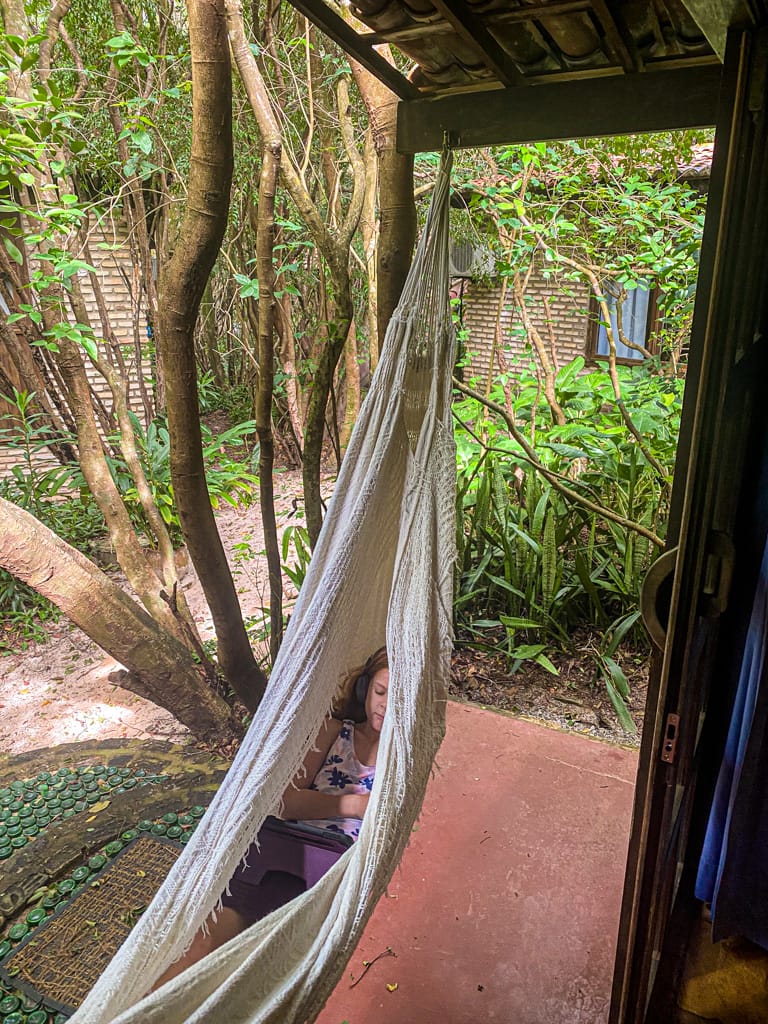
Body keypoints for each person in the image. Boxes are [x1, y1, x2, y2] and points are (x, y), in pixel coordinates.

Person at [154, 647, 389, 985]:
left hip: (343, 874)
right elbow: (286, 803)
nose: (384, 704)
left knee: (269, 964)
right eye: (379, 692)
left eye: (396, 697)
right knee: (204, 941)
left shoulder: (401, 755)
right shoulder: (335, 732)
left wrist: (322, 802)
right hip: (288, 851)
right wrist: (356, 805)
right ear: (363, 689)